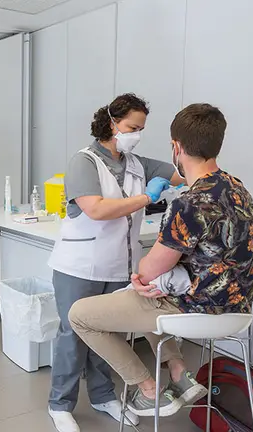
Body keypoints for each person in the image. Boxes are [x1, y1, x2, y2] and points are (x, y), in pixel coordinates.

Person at [68, 103, 253, 418]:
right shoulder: (237, 187)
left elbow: (149, 269)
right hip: (237, 309)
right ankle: (178, 372)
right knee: (147, 294)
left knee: (80, 315)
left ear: (177, 147)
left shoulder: (188, 204)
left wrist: (143, 277)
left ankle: (147, 388)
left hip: (195, 310)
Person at [45, 93, 183, 432]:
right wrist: (146, 198)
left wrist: (192, 170)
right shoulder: (84, 161)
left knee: (108, 334)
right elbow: (96, 209)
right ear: (112, 123)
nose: (136, 134)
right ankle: (59, 404)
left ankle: (103, 394)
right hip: (78, 265)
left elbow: (185, 175)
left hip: (119, 265)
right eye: (132, 127)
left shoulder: (139, 163)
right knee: (73, 334)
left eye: (141, 129)